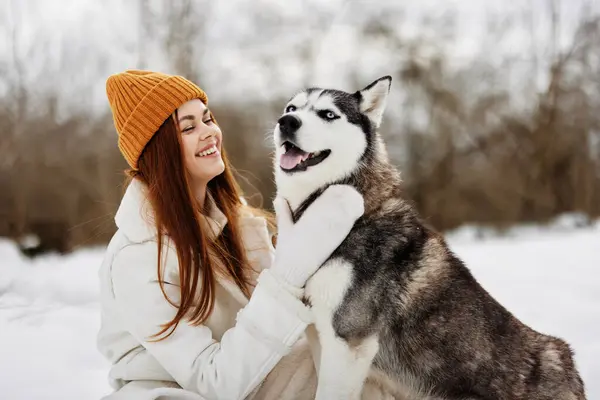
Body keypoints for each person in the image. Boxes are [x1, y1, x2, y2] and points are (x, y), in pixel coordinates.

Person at [96, 69, 368, 400]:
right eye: (189, 127)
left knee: (373, 374)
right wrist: (285, 278)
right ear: (159, 149)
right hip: (171, 393)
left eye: (208, 119)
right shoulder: (137, 257)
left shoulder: (235, 223)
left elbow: (283, 336)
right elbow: (214, 382)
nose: (209, 132)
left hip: (255, 379)